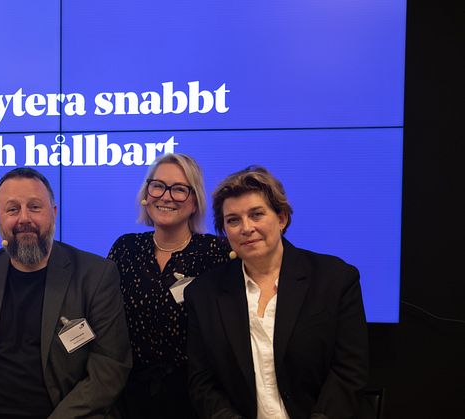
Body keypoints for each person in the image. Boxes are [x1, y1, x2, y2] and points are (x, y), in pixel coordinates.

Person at [0, 167, 131, 419]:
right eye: (12, 209)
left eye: (35, 207)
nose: (24, 218)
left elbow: (109, 367)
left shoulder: (96, 275)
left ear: (53, 213)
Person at [186, 165, 368, 419]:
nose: (246, 228)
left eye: (257, 214)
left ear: (281, 218)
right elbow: (202, 381)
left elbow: (349, 371)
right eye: (233, 220)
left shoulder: (335, 279)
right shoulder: (203, 293)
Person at [107, 153, 231, 419]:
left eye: (179, 189)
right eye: (158, 185)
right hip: (129, 398)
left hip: (196, 399)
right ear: (146, 193)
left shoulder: (217, 253)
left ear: (195, 200)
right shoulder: (125, 248)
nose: (166, 196)